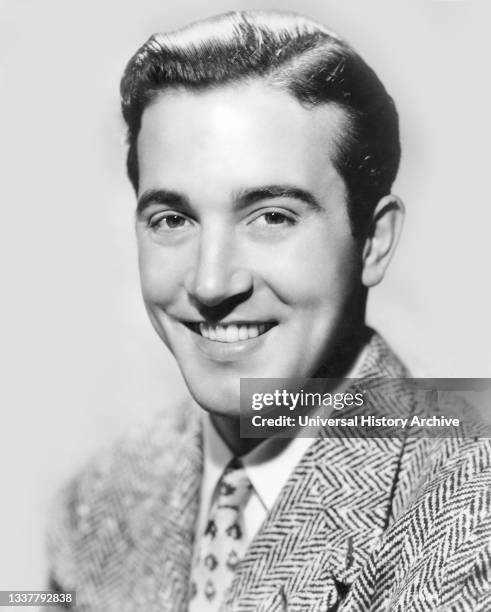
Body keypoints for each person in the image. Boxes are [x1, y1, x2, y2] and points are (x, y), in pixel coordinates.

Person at [47, 11, 491, 611]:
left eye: (272, 216)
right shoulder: (95, 502)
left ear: (374, 242)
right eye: (172, 220)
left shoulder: (470, 512)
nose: (209, 283)